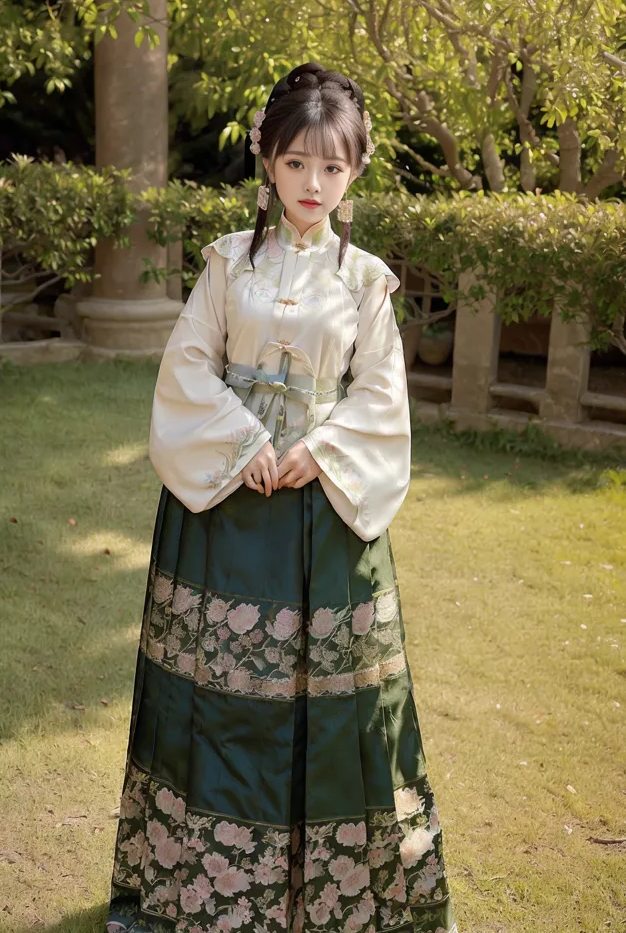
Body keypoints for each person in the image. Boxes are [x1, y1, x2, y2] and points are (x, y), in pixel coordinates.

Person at [105, 62, 458, 933]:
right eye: (297, 162)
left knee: (338, 711)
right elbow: (187, 366)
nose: (313, 184)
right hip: (228, 512)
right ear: (268, 158)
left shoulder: (367, 282)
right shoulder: (228, 264)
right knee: (219, 702)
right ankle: (212, 894)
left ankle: (331, 901)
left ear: (356, 172)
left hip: (326, 513)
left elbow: (380, 392)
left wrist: (321, 451)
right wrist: (250, 444)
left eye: (332, 168)